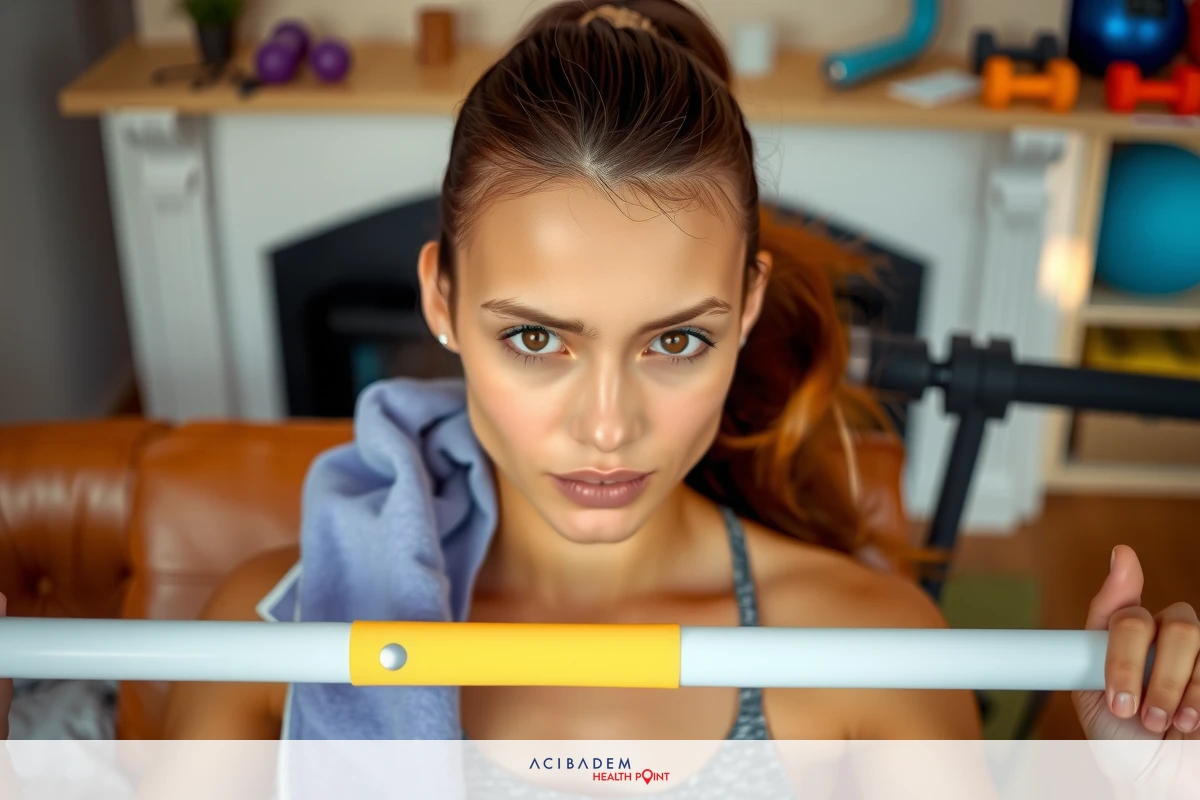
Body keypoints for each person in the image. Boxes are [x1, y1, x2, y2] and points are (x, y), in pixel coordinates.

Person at [3, 0, 1197, 755]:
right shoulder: (280, 634)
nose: (609, 425)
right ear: (441, 299)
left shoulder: (873, 652)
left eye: (675, 340)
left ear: (743, 312)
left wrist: (1125, 777)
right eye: (537, 339)